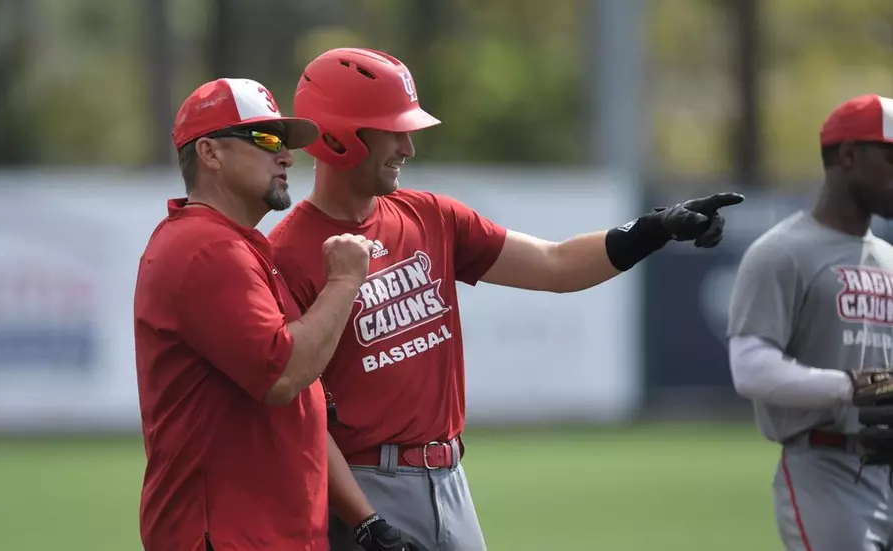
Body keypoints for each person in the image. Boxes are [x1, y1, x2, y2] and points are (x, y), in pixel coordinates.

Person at [268, 47, 745, 551]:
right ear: (342, 134)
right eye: (393, 130)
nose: (408, 147)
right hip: (364, 489)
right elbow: (302, 413)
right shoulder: (287, 255)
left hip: (449, 481)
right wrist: (364, 522)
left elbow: (556, 265)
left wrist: (654, 228)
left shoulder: (431, 215)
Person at [133, 76, 379, 551]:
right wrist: (345, 280)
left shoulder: (234, 245)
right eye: (266, 139)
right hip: (227, 535)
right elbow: (284, 374)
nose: (286, 155)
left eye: (285, 143)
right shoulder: (204, 249)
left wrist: (364, 519)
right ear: (209, 153)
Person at [726, 93, 893, 551]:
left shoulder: (889, 260)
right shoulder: (781, 252)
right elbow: (751, 366)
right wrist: (855, 387)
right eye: (891, 156)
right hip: (827, 468)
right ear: (848, 155)